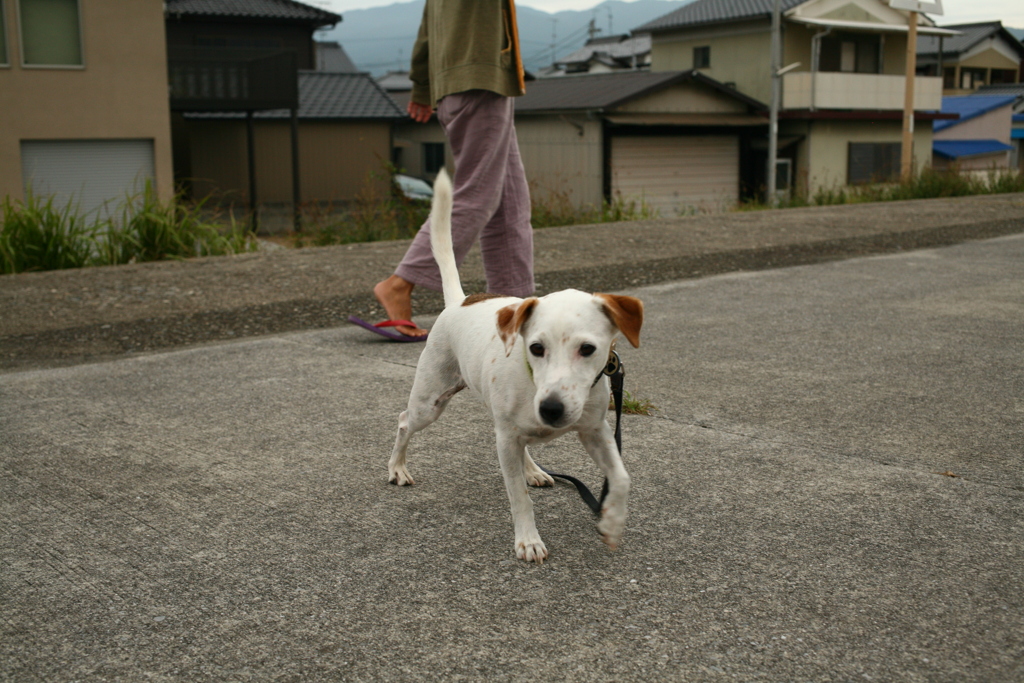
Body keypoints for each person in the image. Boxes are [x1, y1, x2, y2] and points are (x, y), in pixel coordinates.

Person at [372, 0, 535, 338]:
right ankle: (400, 283)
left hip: (463, 82)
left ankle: (515, 307)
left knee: (509, 206)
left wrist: (421, 86)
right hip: (480, 79)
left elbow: (426, 30)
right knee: (477, 195)